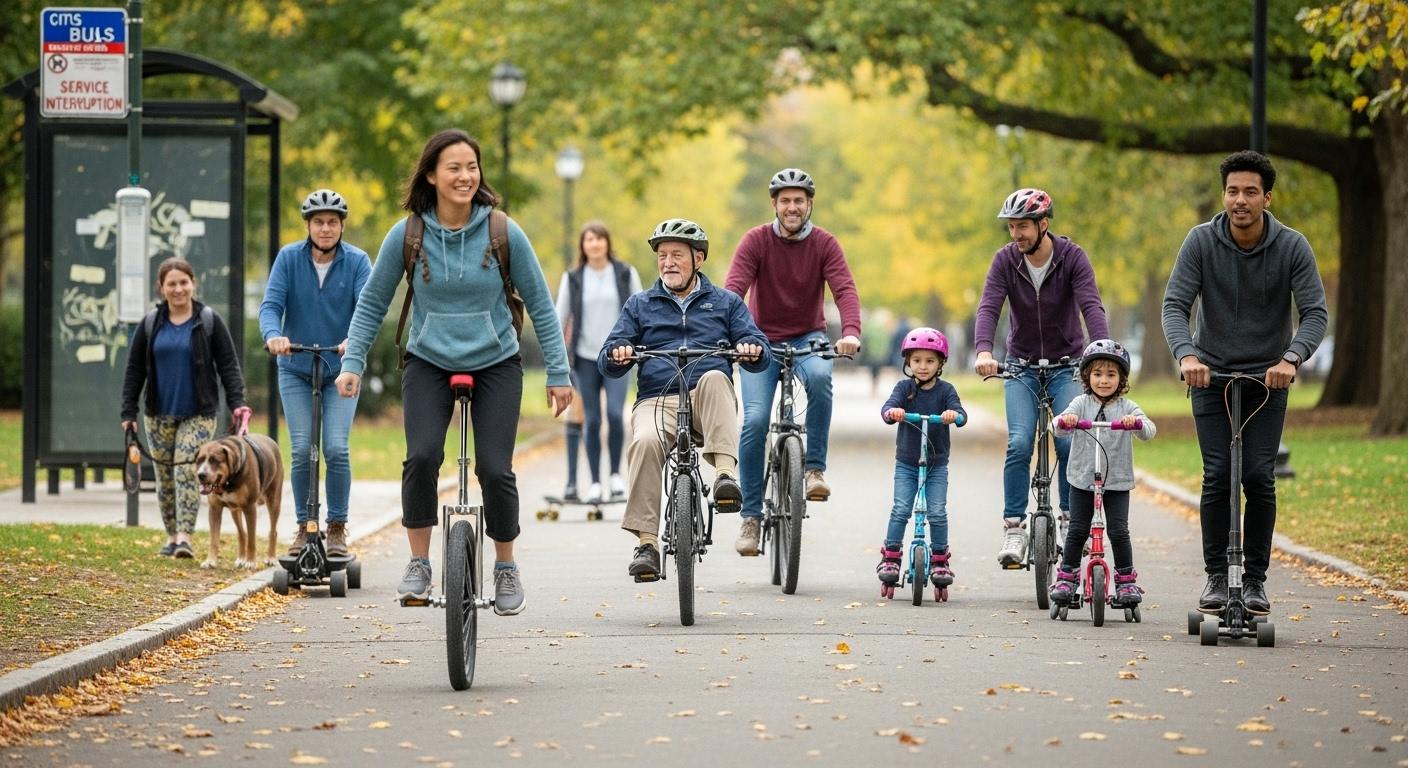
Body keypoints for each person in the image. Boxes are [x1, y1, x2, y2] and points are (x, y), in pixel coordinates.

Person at [333, 129, 573, 614]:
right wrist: (352, 362)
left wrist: (558, 373)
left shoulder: (503, 231)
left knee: (495, 469)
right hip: (429, 360)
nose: (465, 176)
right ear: (431, 175)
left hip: (496, 361)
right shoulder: (408, 234)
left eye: (472, 167)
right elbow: (372, 302)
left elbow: (542, 306)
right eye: (454, 168)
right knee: (421, 457)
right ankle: (419, 562)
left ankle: (505, 565)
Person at [1161, 150, 1327, 615]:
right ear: (1224, 196)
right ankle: (1217, 576)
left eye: (1250, 192)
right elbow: (1175, 305)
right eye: (1232, 191)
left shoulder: (1293, 246)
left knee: (1257, 476)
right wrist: (1187, 355)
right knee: (1218, 475)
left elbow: (1315, 313)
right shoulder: (1200, 242)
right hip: (1210, 376)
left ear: (1267, 198)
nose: (1240, 200)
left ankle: (1254, 581)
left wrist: (1292, 358)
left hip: (1268, 380)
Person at [600, 218, 771, 580]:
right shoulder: (640, 304)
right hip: (656, 399)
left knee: (715, 377)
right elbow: (607, 358)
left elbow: (760, 349)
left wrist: (750, 347)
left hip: (707, 400)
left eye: (677, 255)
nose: (668, 262)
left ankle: (725, 477)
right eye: (662, 256)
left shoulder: (726, 303)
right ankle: (647, 544)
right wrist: (620, 352)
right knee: (644, 442)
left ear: (698, 258)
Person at [725, 168, 862, 557]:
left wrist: (850, 332)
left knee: (819, 377)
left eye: (799, 200)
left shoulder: (824, 243)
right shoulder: (755, 240)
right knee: (754, 420)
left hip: (808, 337)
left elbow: (844, 289)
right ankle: (751, 518)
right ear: (774, 204)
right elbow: (733, 291)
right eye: (785, 200)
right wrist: (730, 336)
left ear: (809, 204)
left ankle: (814, 469)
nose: (792, 207)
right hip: (758, 341)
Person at [973, 187, 1109, 568]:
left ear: (1043, 224)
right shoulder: (1005, 261)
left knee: (1067, 441)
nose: (1015, 234)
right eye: (1011, 227)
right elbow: (989, 306)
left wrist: (1102, 349)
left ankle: (1069, 521)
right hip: (1021, 365)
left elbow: (1091, 305)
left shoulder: (1072, 258)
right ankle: (1014, 528)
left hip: (1067, 364)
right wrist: (984, 351)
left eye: (1023, 226)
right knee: (1019, 442)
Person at [259, 189, 372, 558]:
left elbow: (368, 309)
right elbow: (271, 305)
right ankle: (305, 527)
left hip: (341, 369)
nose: (326, 228)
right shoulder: (288, 258)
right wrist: (273, 335)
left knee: (336, 448)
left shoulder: (357, 262)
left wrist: (353, 341)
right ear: (308, 226)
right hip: (296, 368)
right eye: (319, 222)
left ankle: (336, 527)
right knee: (302, 449)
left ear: (342, 226)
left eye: (332, 222)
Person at [121, 257, 249, 558]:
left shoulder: (208, 321)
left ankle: (184, 537)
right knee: (165, 478)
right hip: (158, 414)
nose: (178, 289)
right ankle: (171, 536)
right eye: (172, 284)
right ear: (161, 288)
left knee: (186, 472)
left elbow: (229, 366)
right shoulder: (151, 323)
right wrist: (128, 411)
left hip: (199, 414)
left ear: (193, 283)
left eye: (183, 282)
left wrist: (238, 404)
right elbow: (134, 369)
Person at [1049, 340, 1157, 607]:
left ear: (1121, 379)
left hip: (1117, 480)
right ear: (1087, 376)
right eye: (1097, 374)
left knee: (1119, 531)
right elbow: (1056, 426)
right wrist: (1066, 421)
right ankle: (1067, 577)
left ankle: (1126, 581)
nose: (1104, 381)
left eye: (1111, 375)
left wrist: (1136, 423)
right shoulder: (1080, 403)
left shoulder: (1126, 406)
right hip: (1082, 479)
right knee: (1077, 530)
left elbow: (1149, 430)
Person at [554, 221, 643, 503]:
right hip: (585, 358)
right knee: (592, 420)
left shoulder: (625, 273)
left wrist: (640, 346)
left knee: (615, 415)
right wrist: (557, 359)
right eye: (589, 239)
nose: (594, 244)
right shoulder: (573, 277)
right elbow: (560, 317)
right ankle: (594, 482)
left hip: (618, 356)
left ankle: (615, 476)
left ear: (607, 242)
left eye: (599, 238)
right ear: (583, 245)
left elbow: (641, 311)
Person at [877, 327, 966, 591]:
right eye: (916, 360)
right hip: (907, 463)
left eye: (929, 361)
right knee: (901, 508)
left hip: (936, 465)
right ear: (908, 362)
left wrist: (953, 415)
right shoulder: (903, 388)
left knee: (937, 511)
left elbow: (961, 414)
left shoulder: (946, 390)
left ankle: (940, 560)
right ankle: (891, 557)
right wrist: (893, 412)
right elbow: (887, 408)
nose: (923, 366)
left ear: (940, 364)